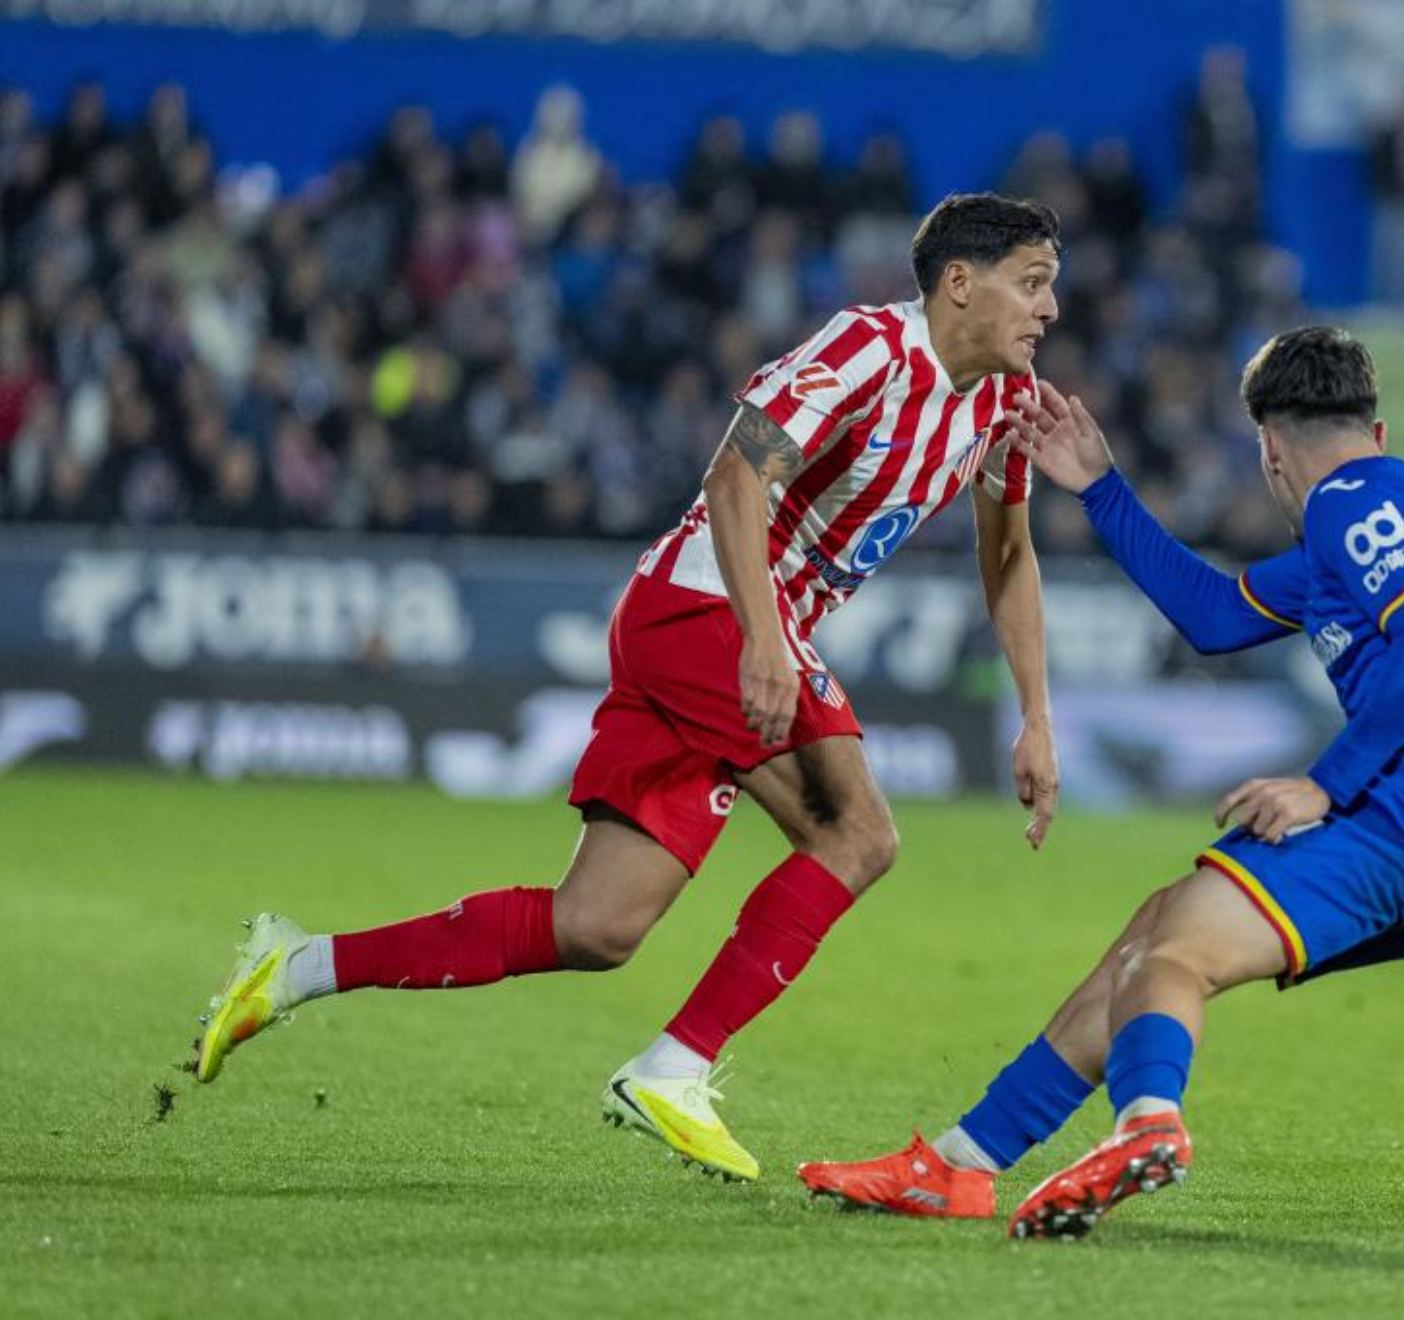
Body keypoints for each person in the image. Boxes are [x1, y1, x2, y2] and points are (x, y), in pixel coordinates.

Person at [190, 193, 1066, 1184]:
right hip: (705, 613)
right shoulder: (869, 349)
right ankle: (675, 1069)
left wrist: (1036, 715)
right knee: (858, 835)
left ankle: (293, 966)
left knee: (595, 926)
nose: (1049, 311)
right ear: (961, 282)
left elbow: (1009, 559)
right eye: (1032, 284)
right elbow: (736, 479)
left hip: (719, 632)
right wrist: (767, 642)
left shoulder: (999, 406)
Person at [797, 327, 1404, 1239]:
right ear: (1374, 427)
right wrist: (1103, 490)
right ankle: (961, 1163)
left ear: (1267, 447)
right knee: (1154, 930)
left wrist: (1324, 785)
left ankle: (1148, 1125)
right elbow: (1217, 617)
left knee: (1173, 954)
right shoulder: (1375, 520)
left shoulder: (1355, 495)